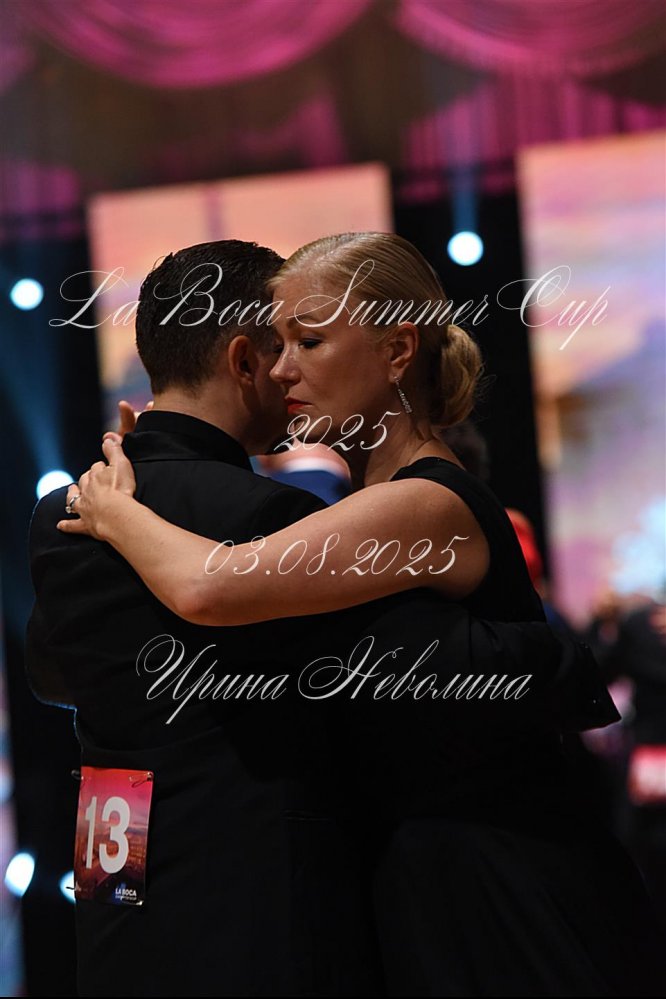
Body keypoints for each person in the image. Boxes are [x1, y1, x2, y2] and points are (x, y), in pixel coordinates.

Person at [59, 231, 664, 995]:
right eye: (277, 344)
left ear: (398, 350)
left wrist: (115, 508)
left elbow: (209, 586)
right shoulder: (375, 500)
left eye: (308, 341)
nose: (281, 369)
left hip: (496, 891)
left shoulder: (424, 502)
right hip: (433, 882)